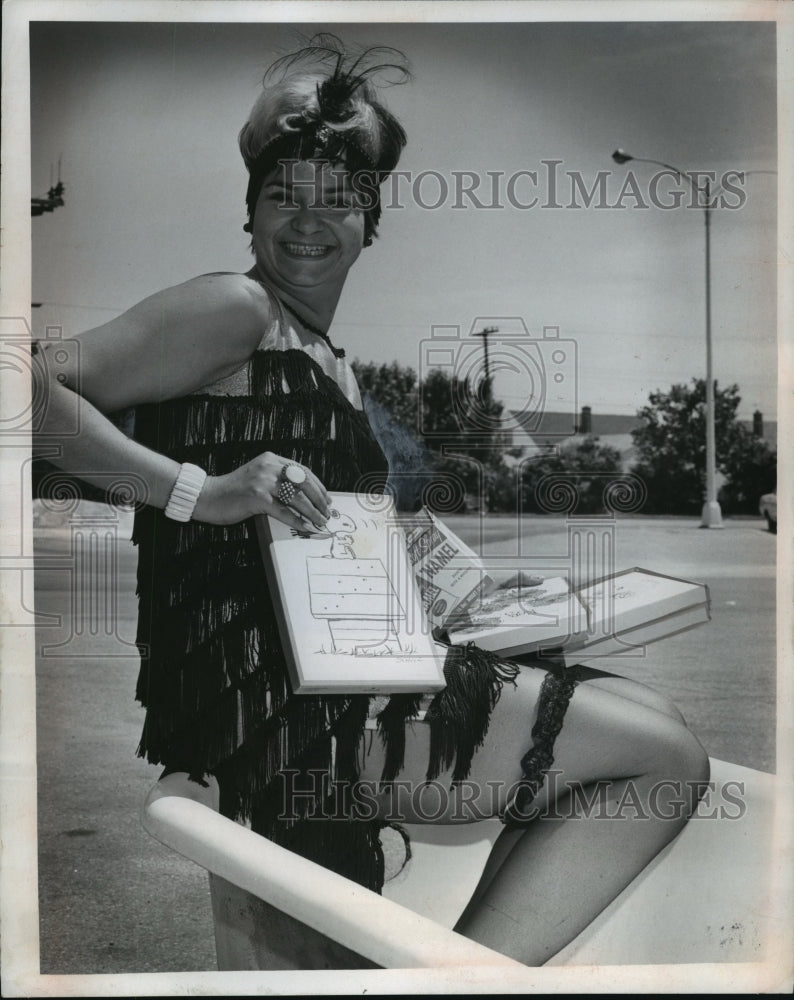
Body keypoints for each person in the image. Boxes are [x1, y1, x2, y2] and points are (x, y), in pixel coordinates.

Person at [32, 36, 709, 967]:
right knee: (662, 759)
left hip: (333, 677)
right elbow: (31, 394)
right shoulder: (235, 306)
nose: (305, 223)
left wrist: (468, 598)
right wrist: (200, 491)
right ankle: (456, 983)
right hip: (281, 711)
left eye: (334, 199)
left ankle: (447, 973)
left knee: (643, 715)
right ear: (249, 213)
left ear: (370, 219)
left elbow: (319, 542)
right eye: (281, 197)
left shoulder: (327, 359)